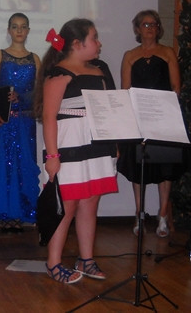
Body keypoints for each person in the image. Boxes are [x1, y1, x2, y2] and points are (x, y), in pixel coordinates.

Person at [34, 18, 117, 284]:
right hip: (68, 145)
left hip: (96, 143)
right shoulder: (59, 73)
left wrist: (114, 144)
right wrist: (52, 157)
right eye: (94, 38)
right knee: (66, 205)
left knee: (90, 202)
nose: (99, 43)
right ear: (78, 43)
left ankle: (86, 259)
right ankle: (53, 263)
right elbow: (49, 117)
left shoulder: (100, 70)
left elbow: (110, 108)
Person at [117, 10, 183, 238]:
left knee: (166, 166)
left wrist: (162, 109)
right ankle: (139, 213)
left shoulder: (167, 52)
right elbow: (125, 89)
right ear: (137, 29)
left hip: (164, 117)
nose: (150, 28)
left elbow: (176, 87)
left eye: (154, 24)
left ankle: (162, 214)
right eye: (145, 24)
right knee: (139, 167)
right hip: (138, 119)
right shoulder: (130, 55)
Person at [0, 13, 41, 232]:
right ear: (9, 30)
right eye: (15, 26)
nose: (19, 30)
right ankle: (5, 213)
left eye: (23, 27)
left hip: (26, 122)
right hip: (3, 123)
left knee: (24, 166)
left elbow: (40, 92)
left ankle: (22, 212)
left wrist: (22, 97)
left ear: (28, 30)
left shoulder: (35, 59)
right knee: (3, 166)